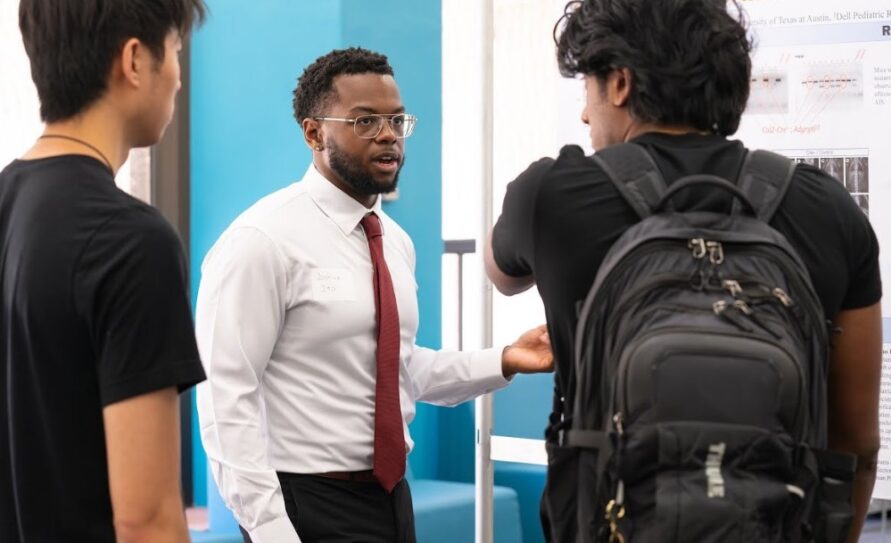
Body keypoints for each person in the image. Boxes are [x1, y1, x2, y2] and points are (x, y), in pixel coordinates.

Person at [485, 1, 882, 541]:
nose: (584, 114)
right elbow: (856, 443)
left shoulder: (552, 195)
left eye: (588, 89)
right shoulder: (826, 208)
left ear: (621, 83)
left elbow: (501, 274)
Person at [195, 47, 553, 543]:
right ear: (314, 132)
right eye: (365, 121)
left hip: (390, 500)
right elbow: (223, 398)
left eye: (396, 120)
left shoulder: (394, 241)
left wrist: (507, 359)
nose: (388, 135)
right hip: (307, 505)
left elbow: (400, 370)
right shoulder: (262, 240)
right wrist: (270, 529)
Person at [0, 1, 208, 542]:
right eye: (177, 55)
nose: (180, 80)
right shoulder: (132, 243)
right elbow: (147, 521)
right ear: (135, 60)